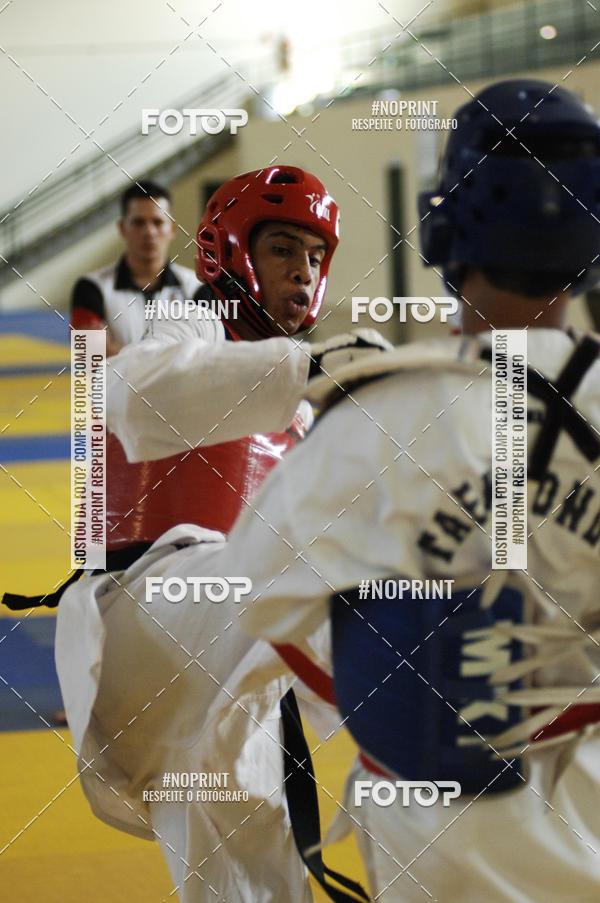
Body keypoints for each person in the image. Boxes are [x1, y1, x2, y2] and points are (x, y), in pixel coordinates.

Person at [206, 80, 600, 902]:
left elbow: (255, 592)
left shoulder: (382, 412)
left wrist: (397, 653)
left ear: (445, 227)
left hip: (445, 834)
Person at [56, 166, 387, 902]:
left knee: (253, 879)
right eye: (281, 250)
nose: (302, 270)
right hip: (143, 615)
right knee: (380, 611)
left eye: (313, 255)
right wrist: (313, 368)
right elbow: (125, 392)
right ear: (234, 252)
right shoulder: (197, 326)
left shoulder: (298, 403)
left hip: (213, 684)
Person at [70, 179, 200, 356]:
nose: (149, 232)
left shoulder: (196, 287)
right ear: (123, 228)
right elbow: (88, 358)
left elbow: (207, 355)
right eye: (139, 223)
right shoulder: (90, 287)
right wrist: (174, 353)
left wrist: (116, 350)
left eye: (158, 222)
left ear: (172, 229)